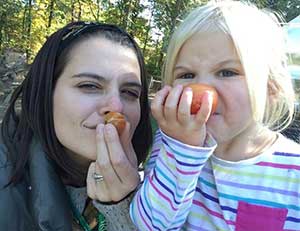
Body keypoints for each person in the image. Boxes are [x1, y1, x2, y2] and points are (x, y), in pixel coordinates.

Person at [130, 1, 300, 230]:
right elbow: (148, 226)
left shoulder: (293, 171)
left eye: (227, 72)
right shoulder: (171, 146)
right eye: (187, 74)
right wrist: (183, 149)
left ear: (271, 87)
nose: (202, 88)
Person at [0, 21, 152, 231]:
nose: (116, 107)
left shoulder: (161, 190)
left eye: (129, 92)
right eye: (89, 85)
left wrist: (124, 208)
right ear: (45, 92)